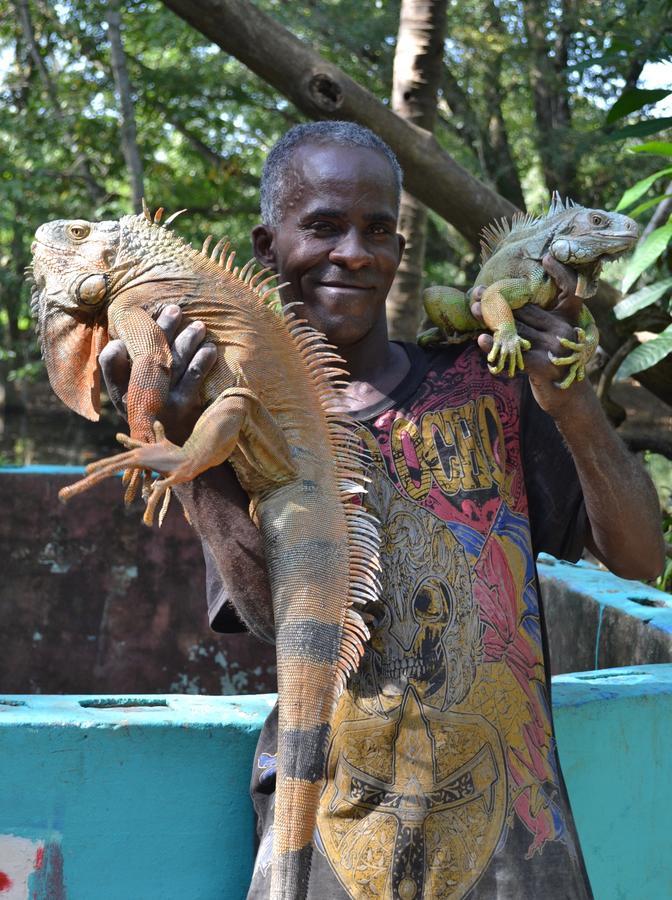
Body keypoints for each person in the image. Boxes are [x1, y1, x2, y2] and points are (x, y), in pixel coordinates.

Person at [100, 121, 664, 899]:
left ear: (400, 250)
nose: (354, 254)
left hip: (514, 846)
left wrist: (571, 405)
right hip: (329, 842)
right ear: (268, 247)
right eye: (324, 226)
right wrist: (185, 445)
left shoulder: (492, 379)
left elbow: (642, 560)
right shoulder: (248, 418)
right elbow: (271, 613)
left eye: (377, 231)